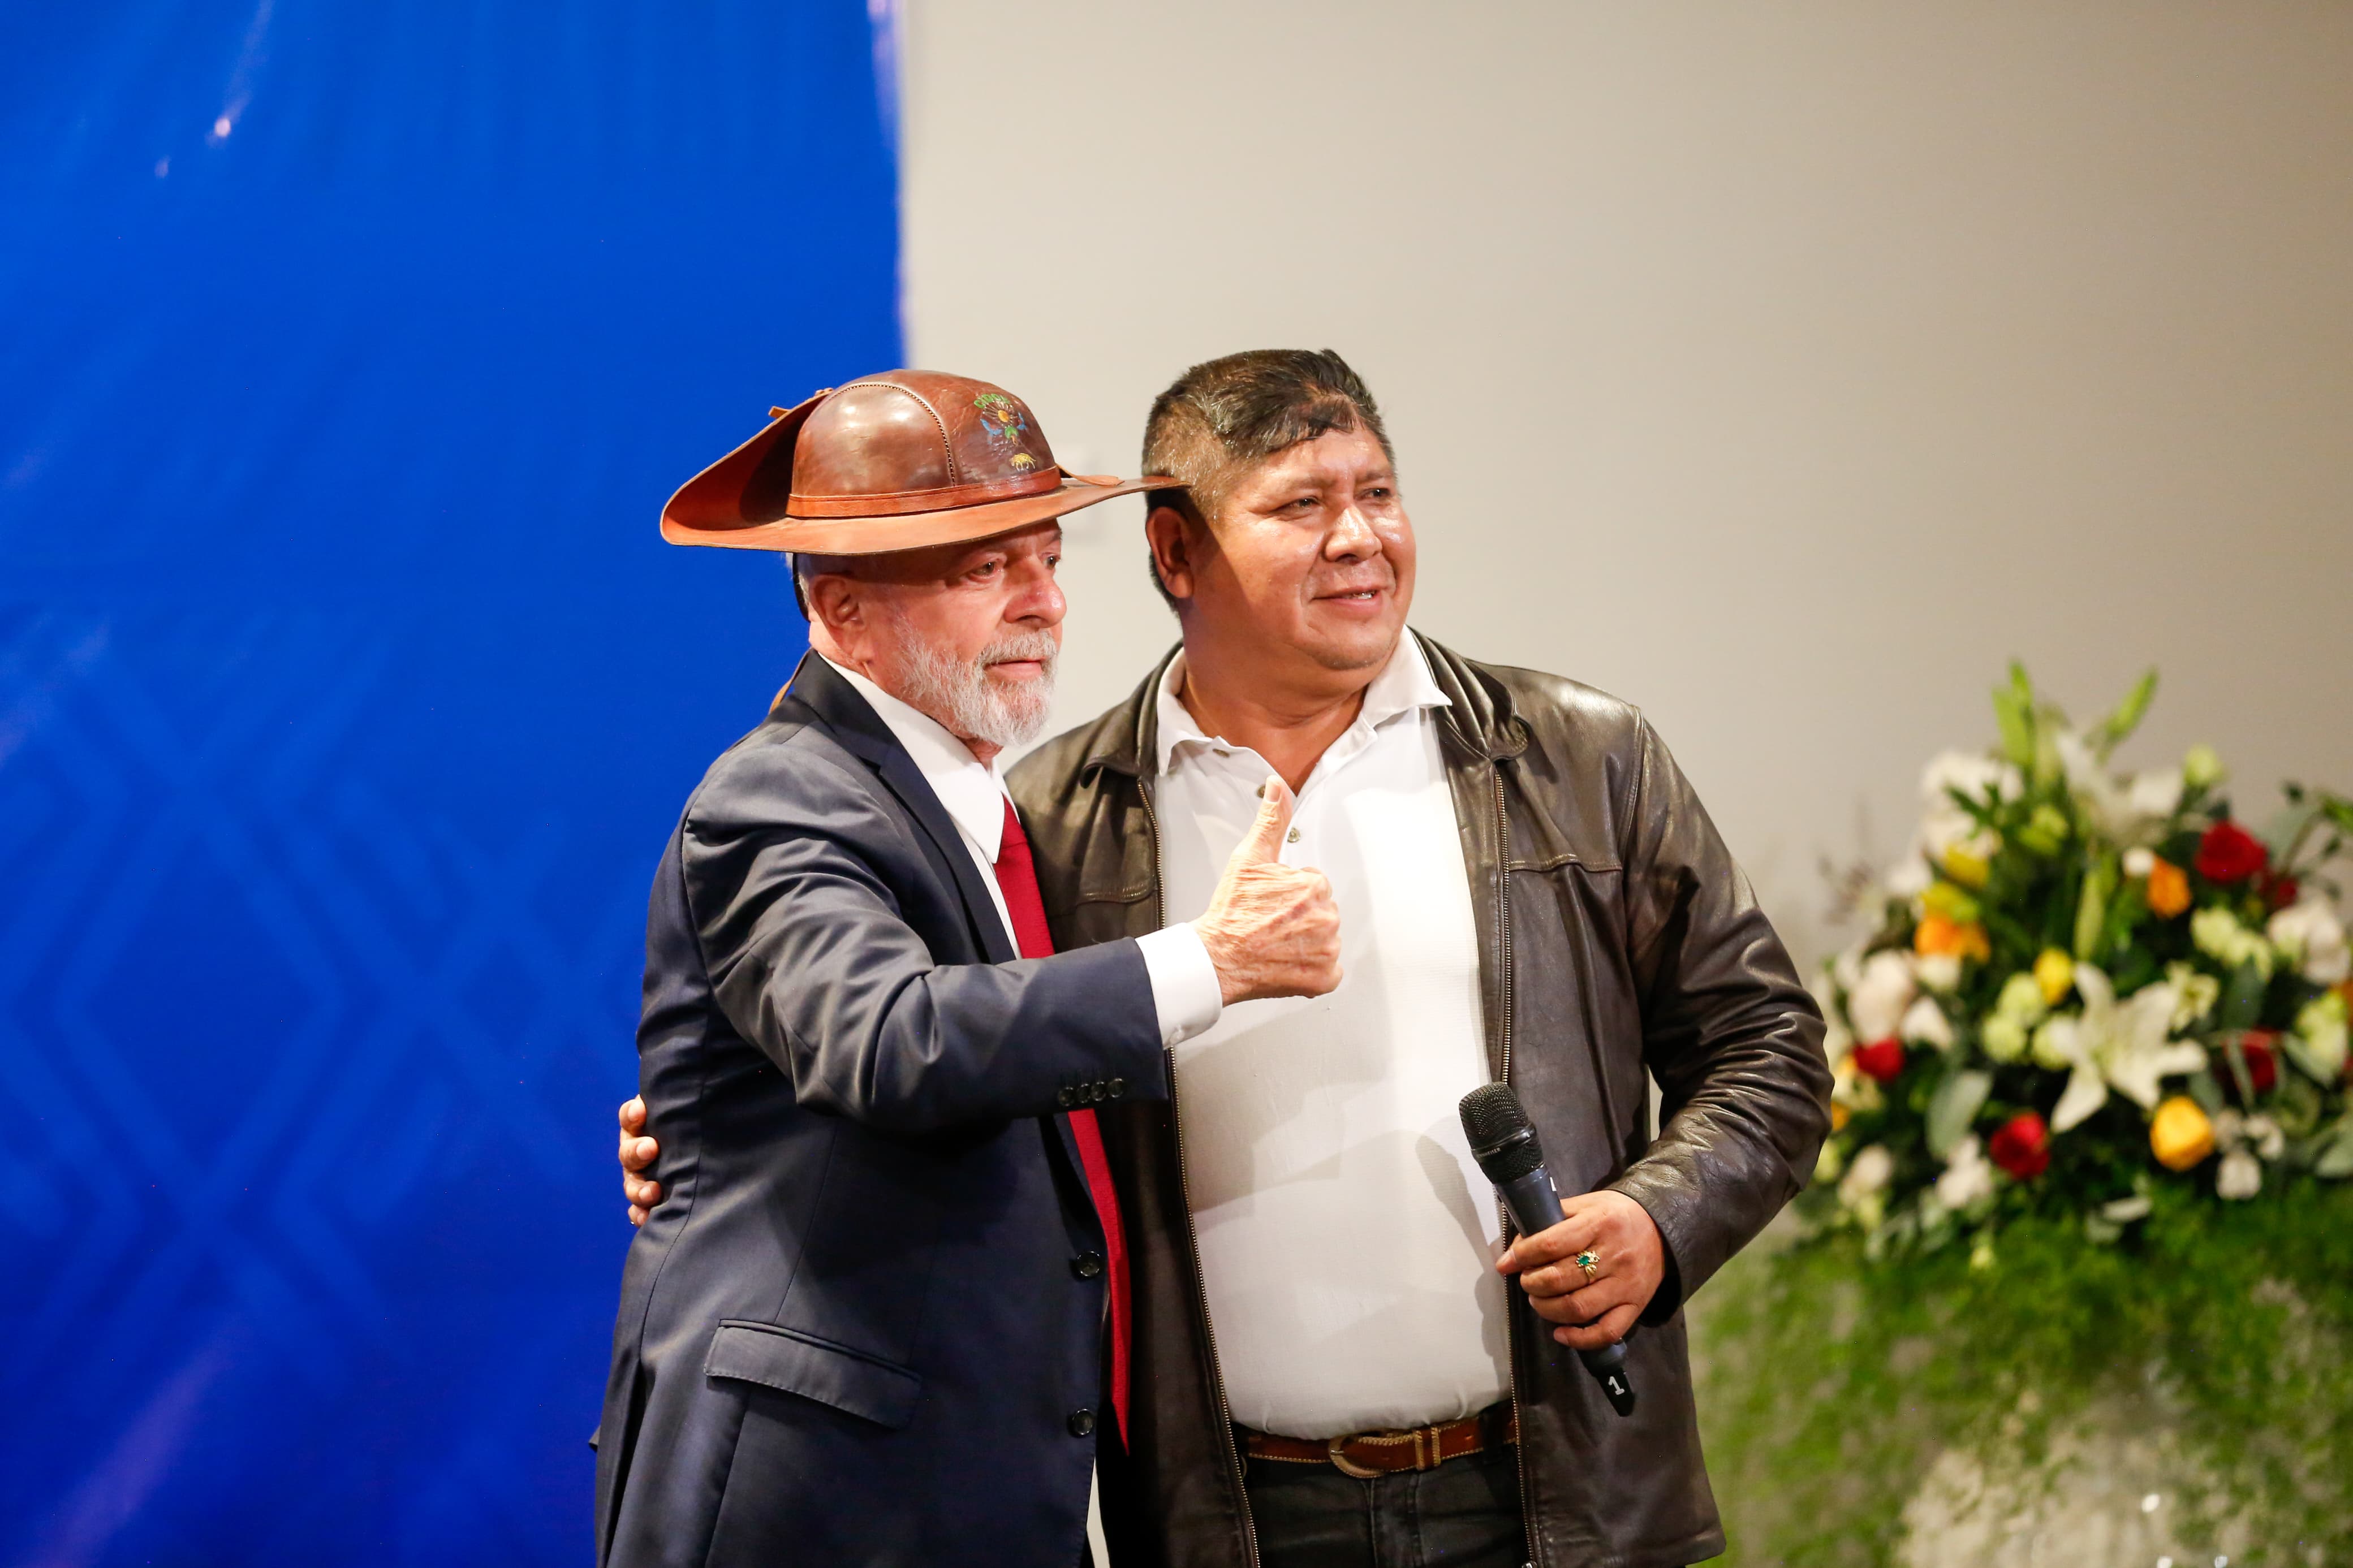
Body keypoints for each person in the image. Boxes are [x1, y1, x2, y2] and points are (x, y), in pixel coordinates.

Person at [620, 350, 1831, 1568]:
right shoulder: (1054, 817)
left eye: (1377, 492)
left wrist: (1659, 1217)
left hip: (1553, 1495)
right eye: (1301, 504)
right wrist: (746, 1135)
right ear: (1175, 554)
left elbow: (1770, 1048)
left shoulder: (1580, 759)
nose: (1357, 537)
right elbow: (925, 1041)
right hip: (1229, 1517)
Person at [594, 369, 1342, 1568]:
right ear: (841, 607)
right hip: (820, 1506)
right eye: (984, 569)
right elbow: (889, 1039)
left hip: (965, 1488)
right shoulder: (778, 795)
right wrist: (1212, 959)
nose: (1043, 603)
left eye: (1048, 558)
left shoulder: (989, 807)